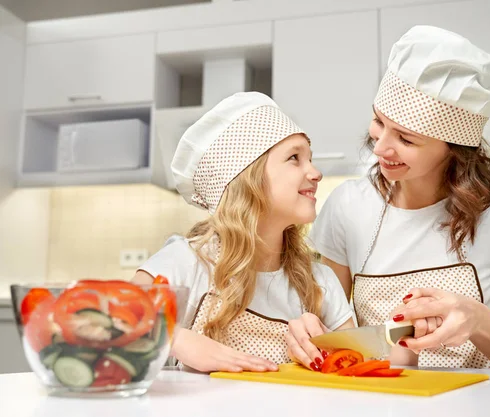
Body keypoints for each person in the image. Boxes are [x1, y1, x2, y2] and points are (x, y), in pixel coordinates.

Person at [285, 25, 490, 372]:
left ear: (454, 149)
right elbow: (329, 337)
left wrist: (477, 322)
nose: (381, 147)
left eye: (406, 138)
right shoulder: (347, 206)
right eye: (377, 121)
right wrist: (306, 334)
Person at [133, 92, 353, 373]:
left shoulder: (320, 281)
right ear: (248, 178)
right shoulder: (187, 262)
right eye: (295, 158)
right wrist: (174, 337)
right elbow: (108, 320)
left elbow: (358, 372)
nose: (316, 172)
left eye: (310, 158)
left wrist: (328, 349)